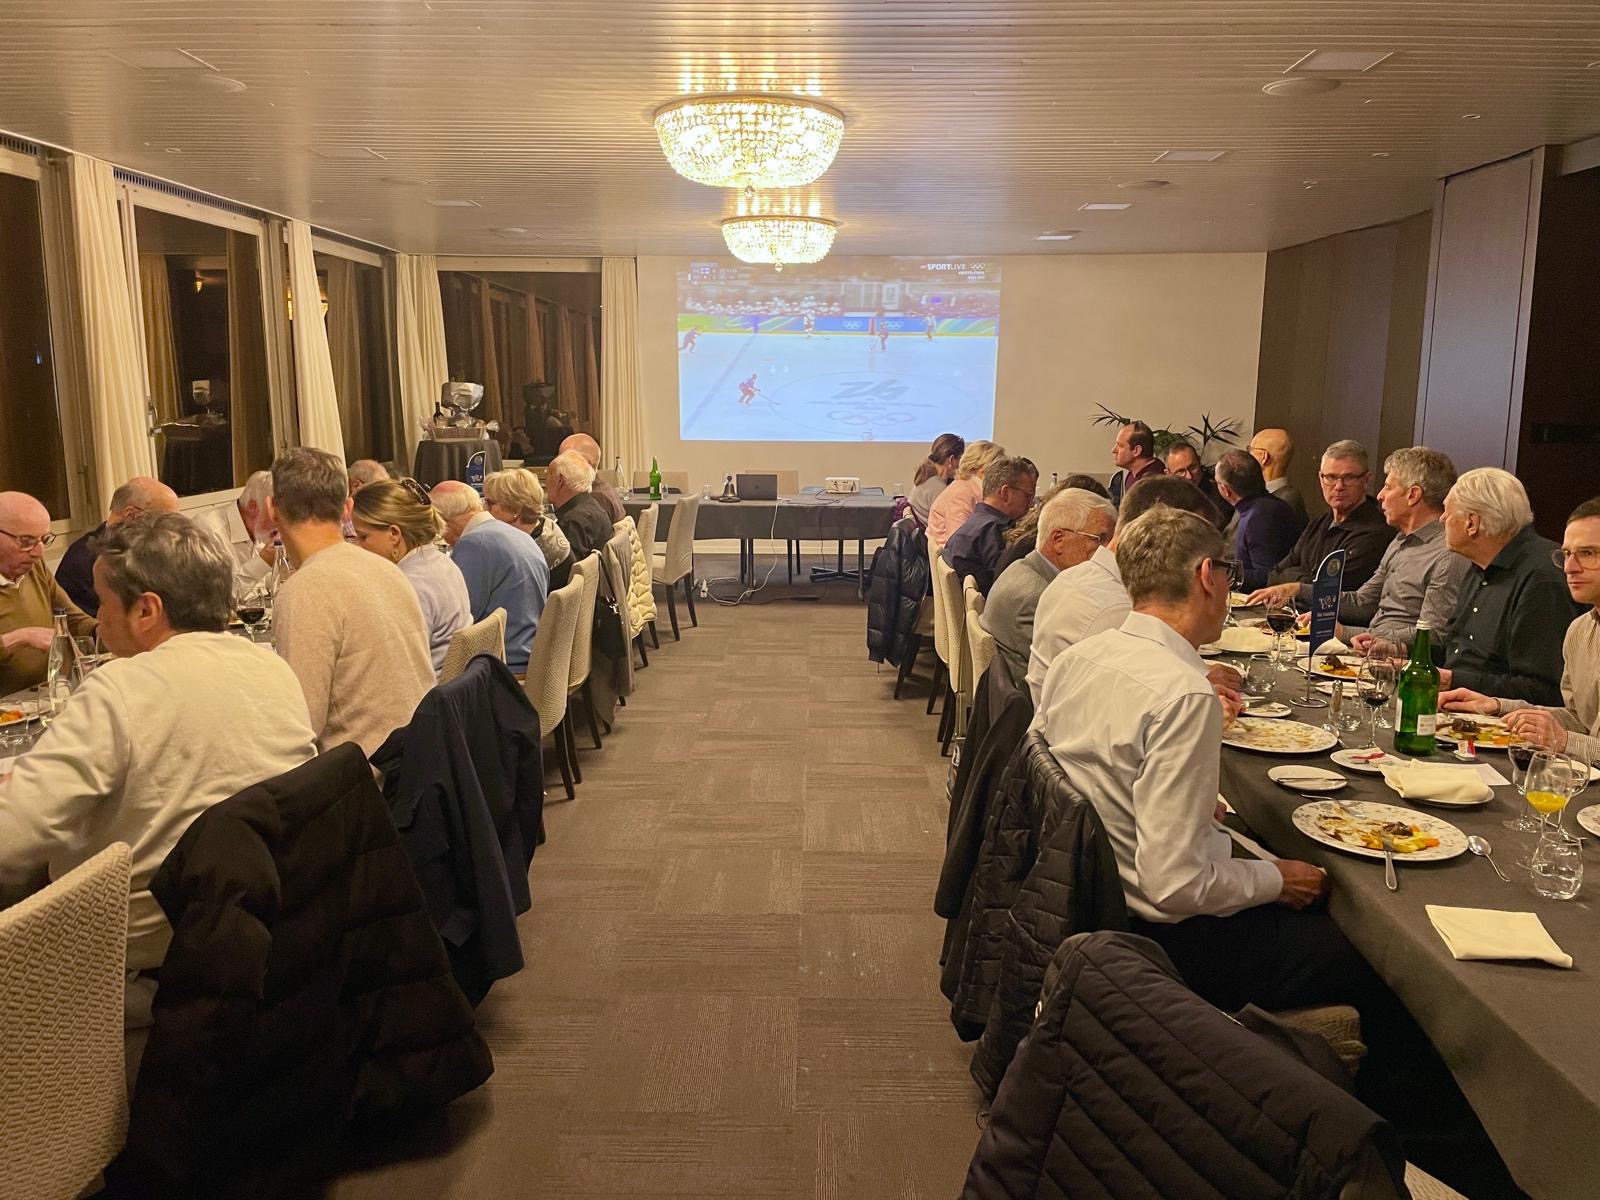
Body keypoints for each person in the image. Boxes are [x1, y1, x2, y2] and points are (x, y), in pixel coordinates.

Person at [0, 513, 317, 1046]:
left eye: (103, 603)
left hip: (142, 964)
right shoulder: (271, 668)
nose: (98, 619)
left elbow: (11, 840)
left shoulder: (120, 689)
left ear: (146, 610)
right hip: (264, 939)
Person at [269, 449, 434, 756]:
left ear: (271, 509)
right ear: (348, 508)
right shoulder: (388, 569)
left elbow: (301, 725)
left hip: (366, 772)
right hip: (421, 757)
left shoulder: (305, 590)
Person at [1027, 476, 1237, 709]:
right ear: (1158, 529)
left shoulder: (1076, 576)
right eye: (1195, 540)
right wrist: (1200, 684)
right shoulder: (1118, 608)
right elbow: (1137, 705)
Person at [1442, 496, 1600, 760]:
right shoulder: (1580, 630)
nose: (1570, 568)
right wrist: (1497, 707)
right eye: (1567, 554)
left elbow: (1572, 735)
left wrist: (1564, 741)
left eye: (1588, 553)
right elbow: (1580, 720)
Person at [1429, 468, 1575, 703]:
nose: (1442, 519)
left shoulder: (1541, 578)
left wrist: (1453, 680)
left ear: (1472, 523)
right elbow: (1454, 649)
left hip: (1497, 717)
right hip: (1454, 702)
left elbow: (1544, 689)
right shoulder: (1479, 564)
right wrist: (1400, 654)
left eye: (1447, 511)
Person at [1335, 447, 1469, 654]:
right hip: (1370, 651)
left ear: (1413, 495)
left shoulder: (1448, 553)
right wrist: (1307, 598)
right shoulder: (1399, 541)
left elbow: (1433, 634)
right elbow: (1363, 602)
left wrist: (1346, 633)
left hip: (1399, 661)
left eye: (1388, 487)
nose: (1380, 495)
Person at [982, 488, 1116, 683]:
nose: (1108, 552)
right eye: (1100, 539)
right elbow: (1070, 675)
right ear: (1058, 540)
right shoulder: (1037, 596)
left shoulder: (1024, 568)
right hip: (1028, 698)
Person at [1245, 440, 1395, 607]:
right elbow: (1275, 574)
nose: (1339, 486)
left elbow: (1333, 593)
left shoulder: (1375, 532)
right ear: (1321, 479)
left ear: (1366, 480)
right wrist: (1303, 583)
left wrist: (1295, 584)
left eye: (1349, 477)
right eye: (1331, 477)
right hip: (1292, 614)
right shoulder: (1320, 522)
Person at [350, 478, 472, 675]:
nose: (357, 545)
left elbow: (396, 667)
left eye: (363, 537)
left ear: (394, 534)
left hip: (425, 690)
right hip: (451, 685)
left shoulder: (408, 586)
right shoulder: (442, 562)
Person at [432, 480, 549, 673]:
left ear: (443, 520)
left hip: (502, 662)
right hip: (531, 650)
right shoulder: (519, 534)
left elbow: (459, 617)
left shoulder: (474, 544)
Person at [0, 491, 97, 696]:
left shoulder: (34, 568)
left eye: (44, 540)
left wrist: (115, 631)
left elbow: (74, 619)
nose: (38, 553)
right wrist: (20, 638)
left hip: (44, 697)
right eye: (26, 542)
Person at [54, 476, 180, 616]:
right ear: (131, 515)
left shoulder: (158, 548)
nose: (171, 529)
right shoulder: (82, 561)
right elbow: (93, 624)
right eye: (164, 520)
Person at [941, 456, 1038, 596]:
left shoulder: (977, 523)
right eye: (1027, 496)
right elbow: (1006, 587)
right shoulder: (993, 531)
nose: (1031, 504)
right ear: (1005, 493)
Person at [1212, 450, 1303, 591]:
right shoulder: (1261, 506)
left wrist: (1216, 572)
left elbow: (1267, 576)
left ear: (1226, 490)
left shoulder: (1260, 516)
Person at [484, 468, 573, 585]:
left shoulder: (531, 552)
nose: (485, 508)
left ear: (515, 509)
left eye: (490, 503)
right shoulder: (546, 525)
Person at [545, 451, 616, 569]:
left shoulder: (573, 522)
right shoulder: (593, 506)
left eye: (548, 474)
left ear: (560, 481)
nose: (545, 481)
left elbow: (567, 574)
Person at [926, 440, 1005, 545]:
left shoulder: (969, 487)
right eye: (997, 469)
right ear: (974, 468)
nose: (1001, 475)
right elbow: (959, 542)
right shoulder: (960, 494)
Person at [557, 431, 626, 523]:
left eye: (565, 461)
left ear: (586, 463)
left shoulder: (596, 499)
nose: (558, 465)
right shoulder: (602, 489)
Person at [1163, 439, 1229, 529]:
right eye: (1180, 471)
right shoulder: (1164, 497)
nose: (1189, 476)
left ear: (1199, 462)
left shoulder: (1219, 489)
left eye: (1193, 467)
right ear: (1168, 473)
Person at [1247, 427, 1308, 524]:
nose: (1248, 455)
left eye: (1251, 449)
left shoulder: (1286, 501)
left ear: (1264, 457)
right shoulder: (1260, 494)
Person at [908, 433, 966, 524]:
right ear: (951, 460)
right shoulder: (939, 488)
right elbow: (951, 522)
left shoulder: (925, 475)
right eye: (960, 459)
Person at [1107, 421, 1165, 507]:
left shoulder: (1154, 481)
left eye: (1120, 445)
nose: (1113, 450)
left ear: (1136, 450)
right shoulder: (1131, 475)